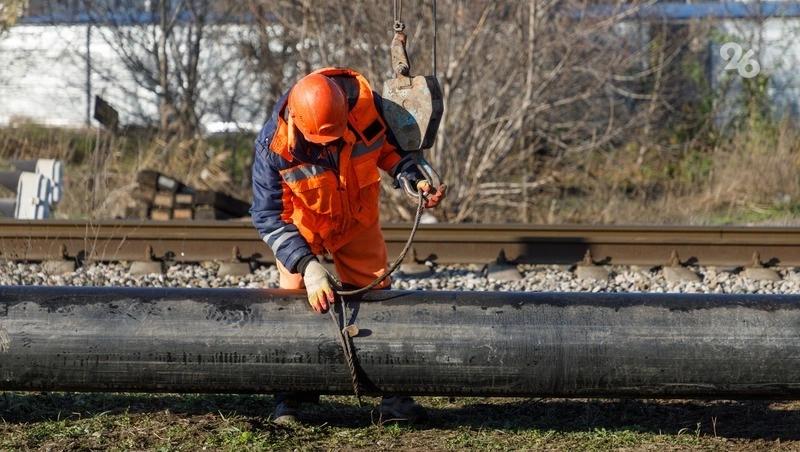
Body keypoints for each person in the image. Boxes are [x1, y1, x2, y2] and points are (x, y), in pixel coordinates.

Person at [250, 67, 445, 424]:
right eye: (320, 141)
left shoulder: (363, 110)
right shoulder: (273, 146)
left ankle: (393, 398)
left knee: (377, 298)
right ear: (296, 120)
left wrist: (413, 178)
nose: (328, 146)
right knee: (295, 302)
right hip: (303, 230)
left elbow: (388, 151)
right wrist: (308, 268)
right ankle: (293, 399)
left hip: (356, 221)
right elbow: (268, 218)